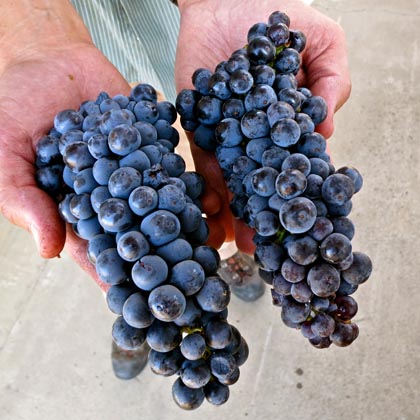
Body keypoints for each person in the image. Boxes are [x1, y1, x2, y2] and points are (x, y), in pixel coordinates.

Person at [0, 0, 350, 290]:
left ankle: (222, 260)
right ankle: (169, 282)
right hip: (69, 22)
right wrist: (32, 32)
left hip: (177, 18)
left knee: (208, 178)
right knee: (169, 185)